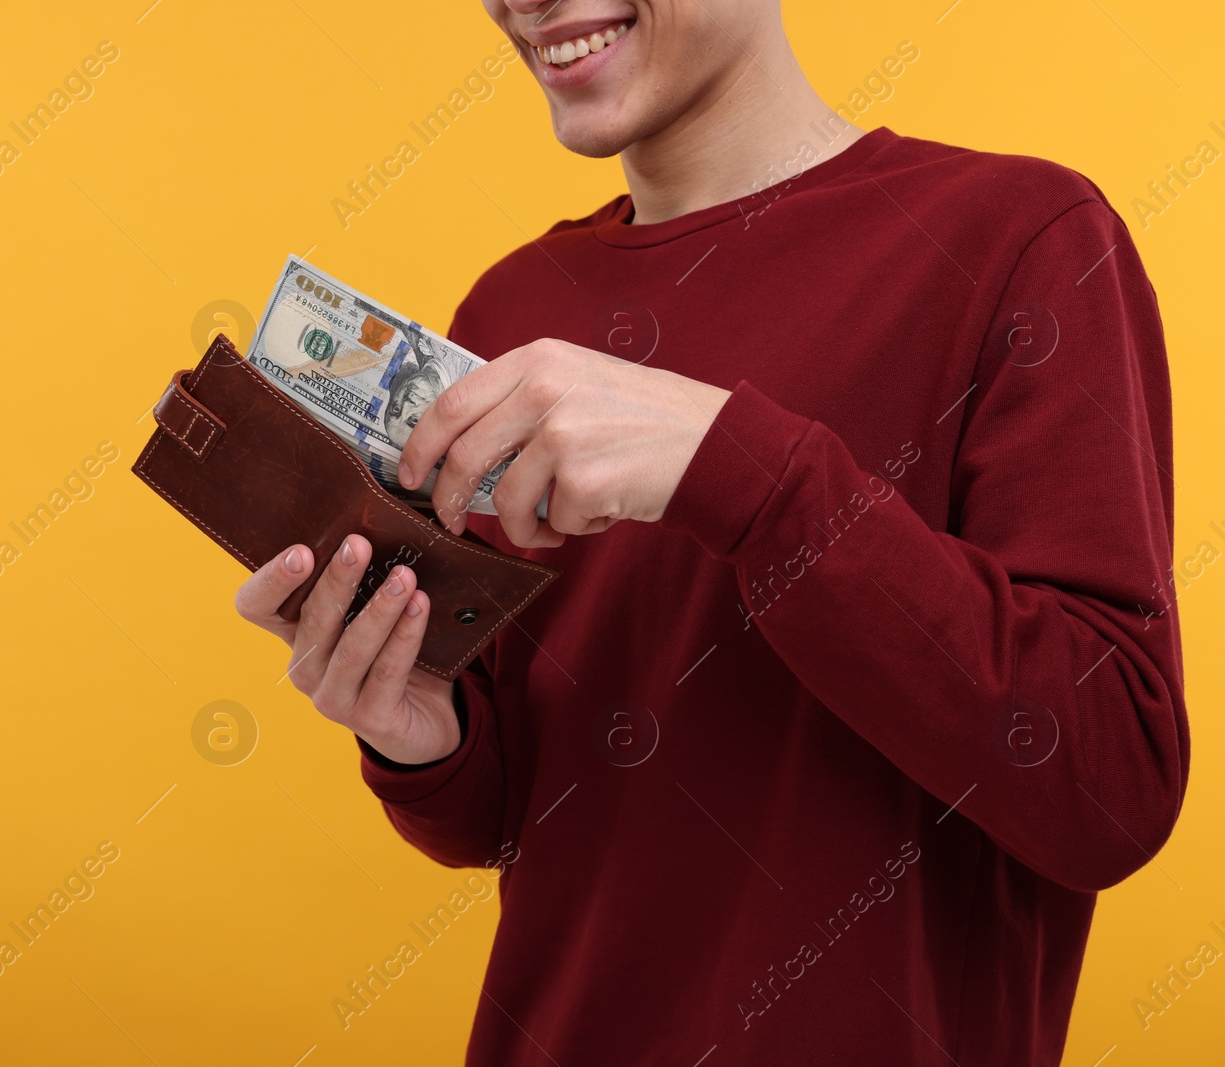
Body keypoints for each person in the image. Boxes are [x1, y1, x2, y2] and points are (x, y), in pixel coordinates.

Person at [232, 1, 1188, 1063]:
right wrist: (424, 731)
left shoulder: (1020, 239)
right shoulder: (512, 306)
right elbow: (513, 819)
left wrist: (736, 465)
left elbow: (1108, 787)